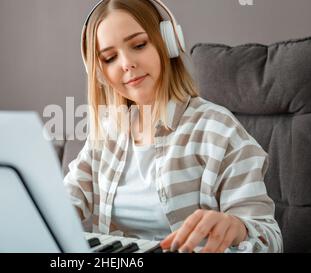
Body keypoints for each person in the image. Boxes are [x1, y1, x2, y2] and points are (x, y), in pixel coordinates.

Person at [63, 0, 283, 253]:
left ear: (168, 42)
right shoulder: (106, 132)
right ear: (100, 73)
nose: (126, 63)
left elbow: (270, 239)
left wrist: (236, 227)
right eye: (110, 58)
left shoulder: (218, 129)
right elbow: (64, 201)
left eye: (139, 45)